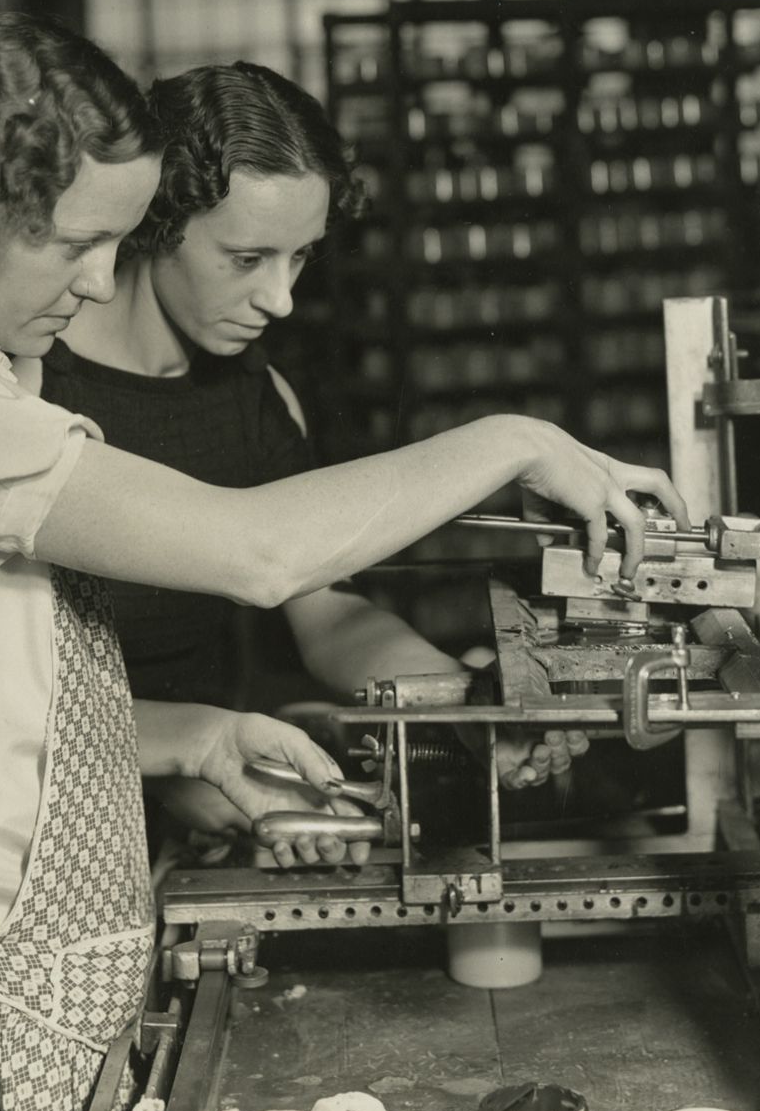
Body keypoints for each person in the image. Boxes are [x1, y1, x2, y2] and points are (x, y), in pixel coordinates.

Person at [0, 13, 686, 1111]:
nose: (104, 284)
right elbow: (260, 552)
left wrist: (200, 735)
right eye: (75, 245)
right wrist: (518, 441)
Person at [30, 60, 587, 853]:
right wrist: (175, 765)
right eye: (247, 259)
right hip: (42, 825)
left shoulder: (258, 396)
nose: (281, 298)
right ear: (155, 221)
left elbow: (326, 617)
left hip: (199, 816)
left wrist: (467, 705)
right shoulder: (28, 390)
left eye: (300, 258)